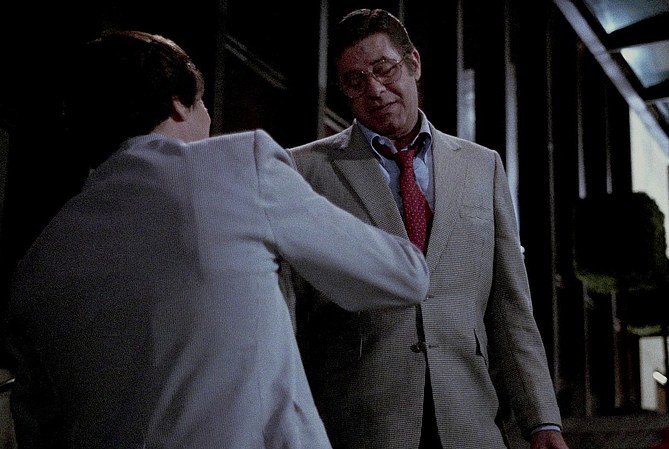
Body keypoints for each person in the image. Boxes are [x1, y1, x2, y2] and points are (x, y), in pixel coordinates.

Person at [3, 30, 430, 449]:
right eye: (202, 103)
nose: (208, 119)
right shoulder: (237, 167)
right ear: (177, 103)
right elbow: (406, 276)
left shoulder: (39, 262)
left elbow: (38, 428)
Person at [287, 8, 570, 449]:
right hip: (361, 423)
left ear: (413, 64)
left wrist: (542, 421)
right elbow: (289, 310)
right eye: (355, 81)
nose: (375, 90)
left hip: (470, 420)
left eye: (384, 69)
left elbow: (510, 307)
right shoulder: (305, 170)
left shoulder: (482, 167)